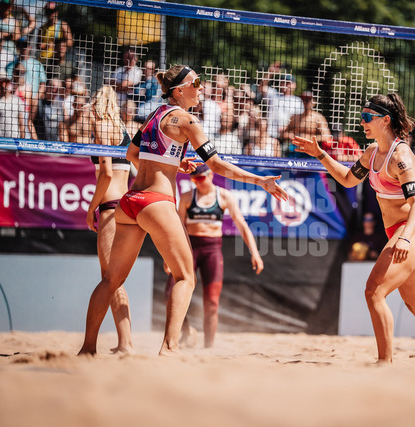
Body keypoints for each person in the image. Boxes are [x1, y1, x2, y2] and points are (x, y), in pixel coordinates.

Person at [78, 65, 288, 356]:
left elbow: (132, 154)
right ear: (179, 90)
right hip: (156, 202)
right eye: (196, 82)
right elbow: (216, 165)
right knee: (186, 278)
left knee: (111, 280)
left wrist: (172, 164)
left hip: (129, 201)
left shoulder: (155, 114)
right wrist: (260, 180)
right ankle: (169, 347)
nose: (201, 87)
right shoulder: (188, 120)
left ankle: (87, 349)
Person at [292, 93, 415, 365]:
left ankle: (384, 363)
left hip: (412, 230)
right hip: (399, 232)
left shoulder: (401, 157)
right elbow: (347, 179)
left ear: (385, 120)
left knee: (374, 291)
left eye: (367, 117)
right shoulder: (372, 152)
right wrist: (320, 154)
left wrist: (405, 238)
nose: (362, 122)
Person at [165, 163, 265, 348]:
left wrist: (255, 253)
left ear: (210, 175)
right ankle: (186, 330)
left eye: (200, 178)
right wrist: (168, 255)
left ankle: (208, 348)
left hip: (212, 250)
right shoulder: (187, 196)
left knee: (211, 302)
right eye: (194, 179)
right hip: (189, 248)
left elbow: (242, 225)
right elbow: (177, 228)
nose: (197, 182)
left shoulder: (224, 196)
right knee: (170, 292)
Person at [84, 85, 134, 354]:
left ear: (97, 105)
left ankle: (117, 344)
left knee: (110, 278)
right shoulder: (123, 130)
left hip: (111, 207)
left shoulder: (102, 128)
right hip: (124, 207)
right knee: (114, 278)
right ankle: (124, 343)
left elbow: (105, 174)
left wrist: (90, 208)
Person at [281, 91, 332, 157]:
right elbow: (283, 134)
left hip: (311, 151)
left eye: (308, 100)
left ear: (314, 102)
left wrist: (309, 138)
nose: (306, 102)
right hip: (294, 150)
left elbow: (327, 137)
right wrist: (290, 135)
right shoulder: (295, 117)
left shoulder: (318, 118)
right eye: (304, 100)